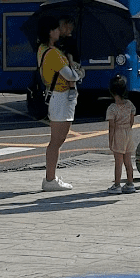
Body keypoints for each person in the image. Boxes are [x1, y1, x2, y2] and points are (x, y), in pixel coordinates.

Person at [36, 14, 84, 192]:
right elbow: (70, 76)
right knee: (57, 141)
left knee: (57, 140)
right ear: (50, 32)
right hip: (61, 97)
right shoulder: (54, 54)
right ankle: (50, 179)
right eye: (56, 29)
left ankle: (51, 177)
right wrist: (77, 72)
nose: (59, 32)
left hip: (58, 96)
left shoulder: (42, 49)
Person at [105, 74, 136, 194]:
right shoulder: (129, 104)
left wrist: (110, 140)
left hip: (118, 133)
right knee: (128, 160)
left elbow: (111, 126)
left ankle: (117, 184)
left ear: (112, 92)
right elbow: (132, 119)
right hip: (128, 132)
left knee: (118, 161)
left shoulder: (112, 108)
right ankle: (130, 183)